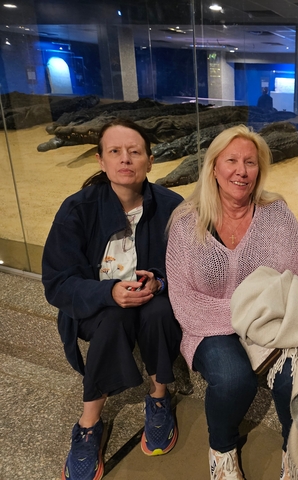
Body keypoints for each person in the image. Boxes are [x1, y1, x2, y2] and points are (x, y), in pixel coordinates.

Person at [165, 124, 298, 480]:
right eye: (231, 160)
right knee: (234, 380)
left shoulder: (274, 213)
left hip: (270, 323)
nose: (241, 170)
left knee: (296, 378)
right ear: (214, 166)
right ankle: (223, 450)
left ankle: (294, 454)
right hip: (208, 327)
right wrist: (247, 314)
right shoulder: (188, 221)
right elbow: (184, 302)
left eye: (250, 162)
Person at [42, 118, 183, 480]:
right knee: (113, 317)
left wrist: (160, 283)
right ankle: (89, 424)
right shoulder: (77, 208)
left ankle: (158, 398)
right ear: (101, 161)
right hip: (97, 307)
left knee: (161, 312)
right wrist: (107, 292)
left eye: (135, 152)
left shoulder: (172, 207)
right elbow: (57, 281)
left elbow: (189, 269)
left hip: (151, 302)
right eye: (115, 152)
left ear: (150, 161)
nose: (126, 160)